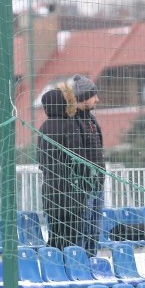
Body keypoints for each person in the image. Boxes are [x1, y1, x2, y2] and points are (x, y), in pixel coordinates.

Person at [37, 83, 87, 250]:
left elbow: (40, 160)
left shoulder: (43, 128)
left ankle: (54, 266)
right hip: (71, 191)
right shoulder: (69, 126)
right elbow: (79, 159)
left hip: (50, 190)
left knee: (56, 235)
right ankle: (69, 268)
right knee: (71, 237)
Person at [70, 74, 105, 257]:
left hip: (97, 184)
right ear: (83, 97)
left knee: (95, 229)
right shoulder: (73, 121)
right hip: (84, 187)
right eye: (94, 95)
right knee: (83, 228)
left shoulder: (92, 120)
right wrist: (86, 178)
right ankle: (81, 263)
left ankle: (91, 261)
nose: (97, 99)